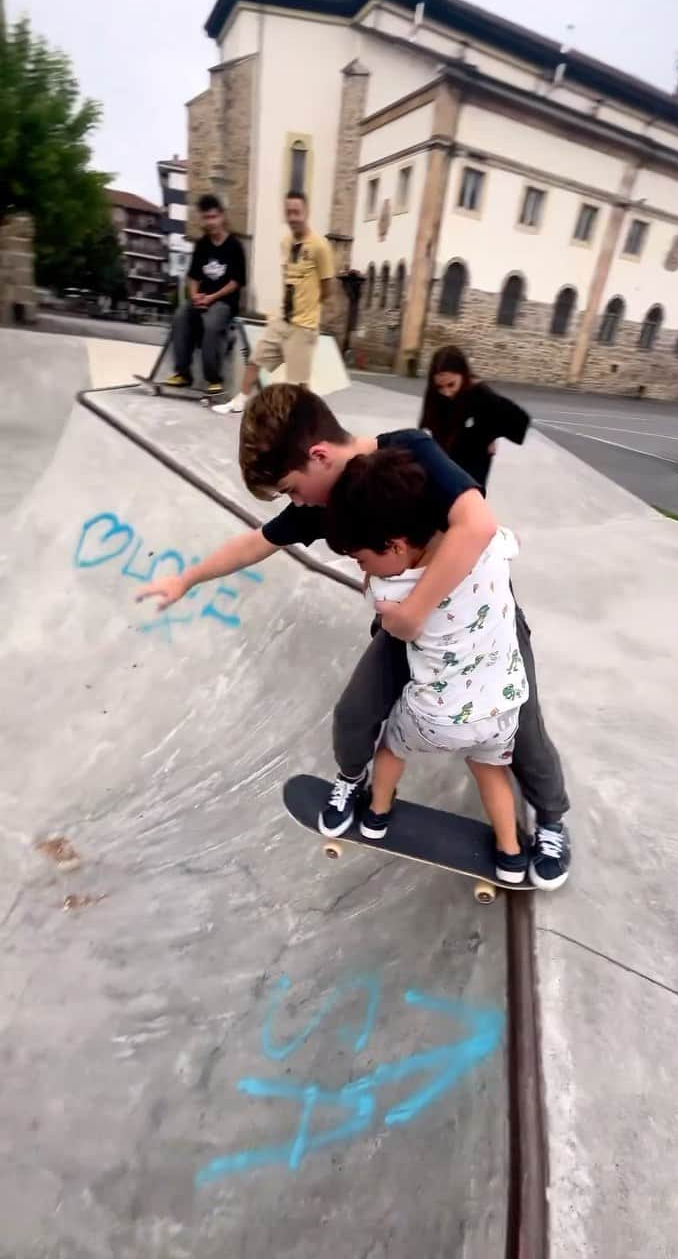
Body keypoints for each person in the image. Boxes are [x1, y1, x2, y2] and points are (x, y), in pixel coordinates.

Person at [136, 383, 570, 889]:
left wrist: (414, 610)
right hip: (406, 630)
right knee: (356, 710)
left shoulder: (411, 451)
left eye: (292, 489)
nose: (296, 502)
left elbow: (477, 523)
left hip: (481, 621)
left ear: (319, 456)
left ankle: (552, 819)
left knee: (525, 724)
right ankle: (351, 780)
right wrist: (187, 579)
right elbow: (257, 542)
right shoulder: (318, 505)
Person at [326, 448, 531, 883]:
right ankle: (511, 855)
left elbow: (391, 621)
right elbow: (498, 533)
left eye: (362, 559)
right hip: (504, 707)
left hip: (436, 715)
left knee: (390, 747)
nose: (363, 570)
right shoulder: (493, 547)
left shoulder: (391, 590)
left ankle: (377, 814)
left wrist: (375, 580)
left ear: (396, 545)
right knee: (491, 772)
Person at [213, 190, 334, 415]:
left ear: (306, 212)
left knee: (297, 384)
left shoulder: (320, 247)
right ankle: (239, 402)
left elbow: (327, 288)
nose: (293, 217)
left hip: (304, 325)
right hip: (282, 319)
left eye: (297, 212)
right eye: (289, 212)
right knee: (255, 359)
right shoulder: (286, 243)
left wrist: (310, 308)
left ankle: (306, 421)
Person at [165, 194, 247, 399]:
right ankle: (183, 373)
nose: (210, 223)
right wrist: (194, 297)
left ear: (221, 217)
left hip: (224, 302)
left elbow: (236, 282)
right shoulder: (202, 245)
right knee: (181, 315)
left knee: (211, 324)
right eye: (206, 218)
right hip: (203, 299)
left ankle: (214, 378)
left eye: (213, 217)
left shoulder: (234, 246)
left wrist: (211, 298)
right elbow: (193, 277)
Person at [420, 345, 530, 494]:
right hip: (444, 464)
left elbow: (519, 419)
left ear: (463, 375)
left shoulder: (481, 394)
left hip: (471, 471)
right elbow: (428, 425)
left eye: (451, 384)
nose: (446, 392)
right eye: (440, 386)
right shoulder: (434, 395)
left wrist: (492, 434)